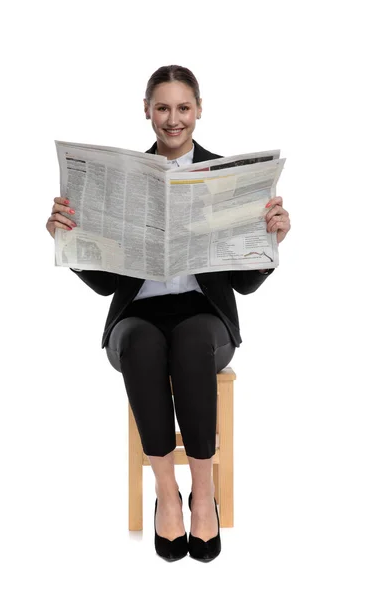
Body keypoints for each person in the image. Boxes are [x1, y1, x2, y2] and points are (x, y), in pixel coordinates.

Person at [46, 65, 291, 562]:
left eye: (183, 108)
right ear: (146, 111)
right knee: (141, 341)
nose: (173, 119)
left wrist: (271, 242)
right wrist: (69, 243)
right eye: (162, 108)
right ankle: (167, 493)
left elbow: (242, 282)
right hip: (138, 317)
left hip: (205, 318)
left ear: (199, 110)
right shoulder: (122, 180)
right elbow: (106, 285)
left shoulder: (228, 175)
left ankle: (203, 494)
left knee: (193, 339)